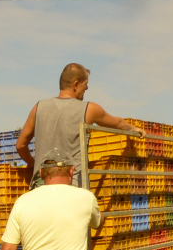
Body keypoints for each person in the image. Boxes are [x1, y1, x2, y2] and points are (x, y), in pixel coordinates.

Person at [16, 63, 146, 188]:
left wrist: (34, 164)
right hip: (72, 186)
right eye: (86, 84)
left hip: (42, 185)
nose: (87, 88)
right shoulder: (89, 109)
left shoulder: (39, 107)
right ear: (76, 84)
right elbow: (117, 123)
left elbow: (21, 145)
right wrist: (134, 129)